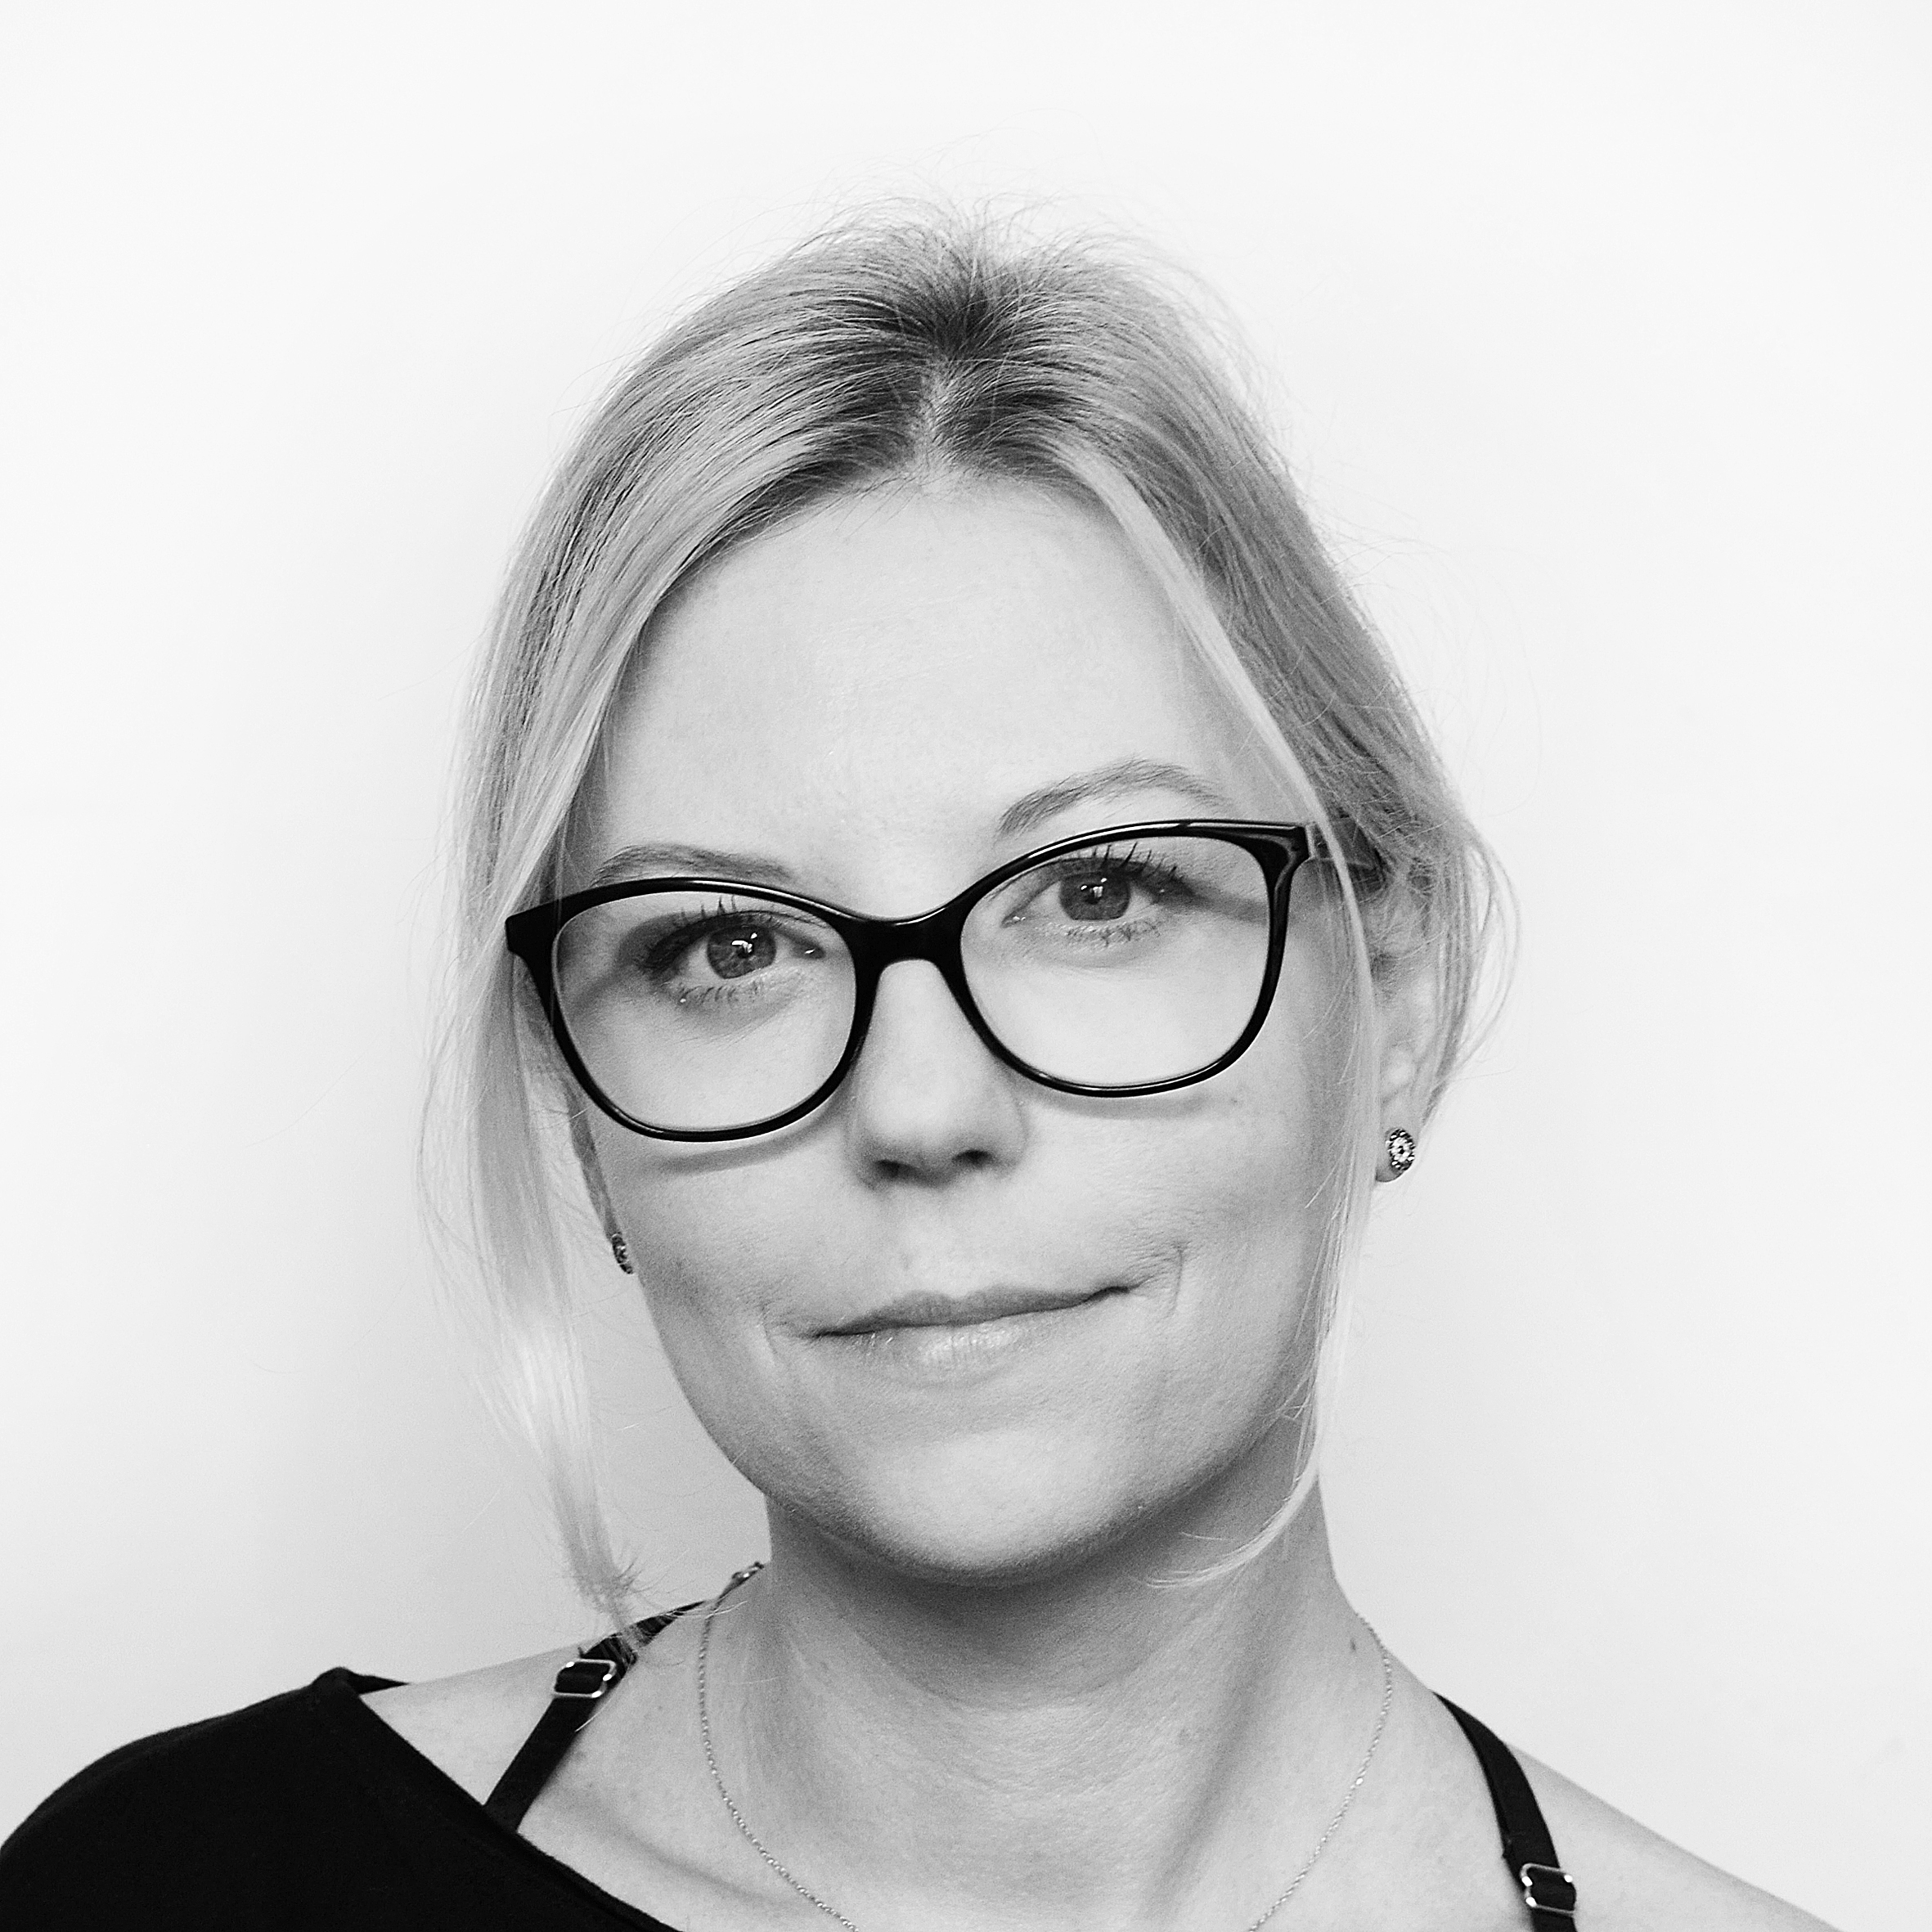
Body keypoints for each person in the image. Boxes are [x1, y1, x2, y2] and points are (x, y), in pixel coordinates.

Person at [0, 212, 1831, 1931]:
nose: (921, 1108)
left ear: (1396, 992)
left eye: (1097, 892)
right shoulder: (169, 1888)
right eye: (729, 946)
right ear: (573, 1098)